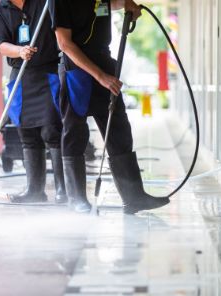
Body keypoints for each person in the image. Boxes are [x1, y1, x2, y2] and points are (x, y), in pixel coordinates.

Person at [49, 0, 170, 213]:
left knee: (119, 130)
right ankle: (76, 198)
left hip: (103, 62)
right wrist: (100, 76)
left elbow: (111, 3)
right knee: (75, 133)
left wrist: (128, 3)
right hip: (77, 70)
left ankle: (134, 197)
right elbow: (64, 44)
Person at [0, 0, 67, 203]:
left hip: (48, 72)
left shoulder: (45, 3)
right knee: (27, 134)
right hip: (21, 76)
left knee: (52, 131)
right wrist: (19, 51)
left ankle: (63, 190)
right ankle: (35, 191)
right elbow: (0, 44)